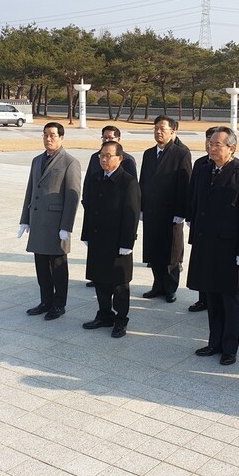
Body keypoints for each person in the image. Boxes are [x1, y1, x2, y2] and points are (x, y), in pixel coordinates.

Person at [187, 127, 239, 365]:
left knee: (229, 299)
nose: (212, 148)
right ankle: (214, 342)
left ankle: (230, 347)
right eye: (210, 143)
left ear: (232, 148)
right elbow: (197, 205)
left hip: (229, 248)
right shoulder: (204, 170)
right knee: (211, 296)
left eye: (218, 144)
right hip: (205, 244)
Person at [19, 122, 81, 320]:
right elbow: (31, 190)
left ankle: (59, 304)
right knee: (41, 267)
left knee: (58, 268)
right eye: (46, 134)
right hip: (38, 222)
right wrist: (25, 219)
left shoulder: (70, 162)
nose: (49, 138)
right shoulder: (37, 160)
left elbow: (73, 197)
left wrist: (66, 227)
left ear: (62, 138)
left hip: (56, 225)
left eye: (53, 135)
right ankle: (45, 301)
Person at [81, 141, 141, 338]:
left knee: (119, 284)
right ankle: (104, 314)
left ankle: (121, 320)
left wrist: (127, 243)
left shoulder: (128, 182)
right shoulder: (95, 178)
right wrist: (86, 234)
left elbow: (131, 214)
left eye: (108, 156)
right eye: (101, 156)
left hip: (117, 242)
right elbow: (89, 209)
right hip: (98, 239)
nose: (104, 159)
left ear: (120, 158)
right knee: (100, 279)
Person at [140, 115, 192, 303]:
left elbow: (184, 185)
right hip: (152, 211)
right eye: (155, 128)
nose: (158, 132)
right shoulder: (147, 153)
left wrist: (181, 212)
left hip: (171, 213)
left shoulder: (181, 154)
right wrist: (141, 206)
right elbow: (143, 181)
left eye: (162, 128)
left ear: (173, 131)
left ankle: (170, 287)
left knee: (171, 252)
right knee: (154, 250)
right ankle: (157, 285)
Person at [185, 127, 218, 312]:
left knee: (211, 262)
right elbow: (193, 191)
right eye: (208, 141)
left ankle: (211, 298)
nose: (209, 145)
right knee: (199, 261)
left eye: (213, 142)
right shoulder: (199, 163)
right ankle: (202, 298)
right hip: (199, 220)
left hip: (215, 225)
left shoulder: (235, 167)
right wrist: (190, 215)